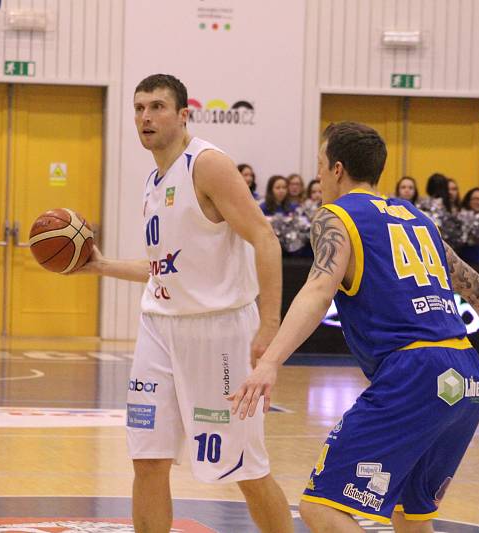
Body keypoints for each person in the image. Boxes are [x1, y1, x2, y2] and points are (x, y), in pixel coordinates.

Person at [228, 122, 479, 533]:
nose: (320, 176)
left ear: (338, 169)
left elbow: (318, 289)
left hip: (414, 374)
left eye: (321, 166)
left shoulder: (336, 216)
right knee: (411, 518)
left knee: (320, 508)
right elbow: (474, 285)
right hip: (468, 378)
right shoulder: (419, 219)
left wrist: (271, 361)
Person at [75, 74, 293, 533]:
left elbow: (265, 238)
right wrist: (101, 266)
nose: (145, 117)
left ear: (182, 115)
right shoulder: (154, 178)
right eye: (138, 108)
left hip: (218, 332)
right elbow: (163, 267)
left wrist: (270, 324)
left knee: (244, 468)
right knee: (147, 459)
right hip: (158, 328)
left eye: (156, 107)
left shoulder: (208, 165)